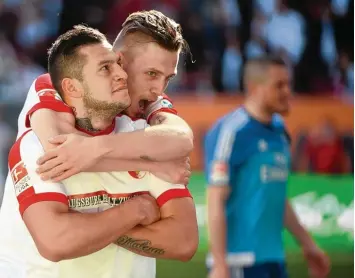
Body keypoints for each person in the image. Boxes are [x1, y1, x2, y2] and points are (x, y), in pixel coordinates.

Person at [1, 25, 198, 278]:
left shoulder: (146, 126)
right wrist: (134, 209)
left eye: (167, 78)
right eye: (150, 73)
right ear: (121, 61)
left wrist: (89, 228)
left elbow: (183, 241)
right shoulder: (47, 95)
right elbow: (60, 150)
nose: (159, 90)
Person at [204, 56, 330, 278]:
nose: (287, 91)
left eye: (288, 84)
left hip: (273, 260)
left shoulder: (280, 131)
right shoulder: (233, 131)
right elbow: (215, 198)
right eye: (279, 85)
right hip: (239, 262)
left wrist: (308, 244)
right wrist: (220, 264)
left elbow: (276, 196)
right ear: (254, 87)